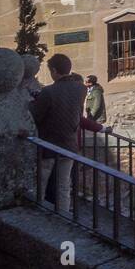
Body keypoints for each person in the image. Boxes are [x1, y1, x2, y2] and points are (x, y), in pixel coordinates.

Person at [30, 54, 89, 214]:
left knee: (41, 182)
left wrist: (33, 101)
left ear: (54, 71)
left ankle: (40, 212)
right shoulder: (81, 89)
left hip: (49, 144)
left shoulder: (48, 92)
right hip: (70, 144)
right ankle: (64, 216)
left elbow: (35, 115)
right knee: (64, 184)